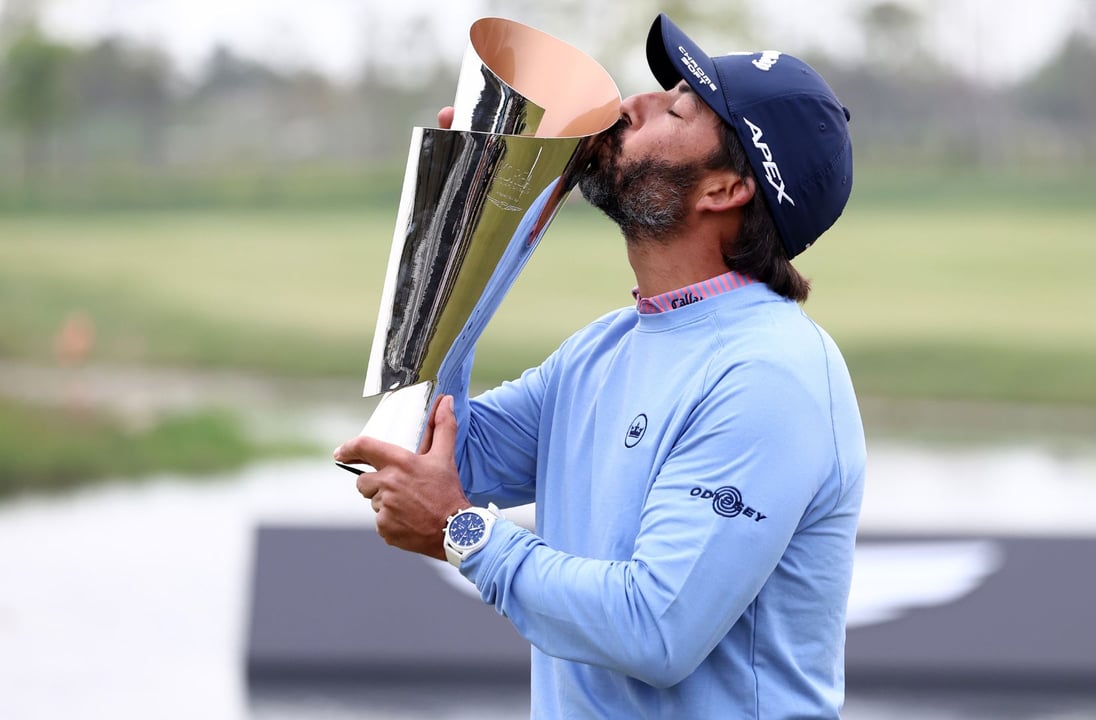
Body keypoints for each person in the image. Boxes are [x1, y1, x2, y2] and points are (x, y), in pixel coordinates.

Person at [335, 13, 866, 719]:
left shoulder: (771, 375)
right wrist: (477, 208)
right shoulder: (607, 346)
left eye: (674, 107)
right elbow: (433, 451)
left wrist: (464, 534)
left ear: (724, 190)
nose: (629, 105)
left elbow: (654, 629)